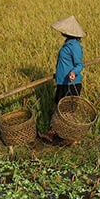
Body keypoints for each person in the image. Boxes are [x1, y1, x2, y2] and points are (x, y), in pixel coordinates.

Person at [40, 15, 85, 144]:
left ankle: (69, 137)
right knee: (59, 108)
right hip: (62, 82)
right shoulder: (68, 44)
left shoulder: (74, 46)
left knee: (66, 111)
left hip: (71, 83)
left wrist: (73, 73)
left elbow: (79, 64)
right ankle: (54, 134)